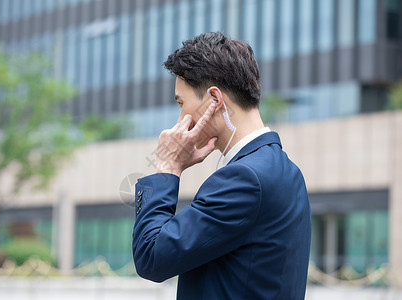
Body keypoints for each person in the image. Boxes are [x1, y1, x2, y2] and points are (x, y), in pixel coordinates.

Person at [132, 32, 311, 300]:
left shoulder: (244, 178)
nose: (179, 118)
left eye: (181, 103)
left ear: (214, 100)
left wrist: (168, 169)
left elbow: (152, 257)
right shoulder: (286, 170)